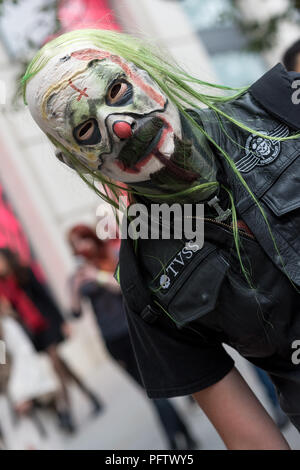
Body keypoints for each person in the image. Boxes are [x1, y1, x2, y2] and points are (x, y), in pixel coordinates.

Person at [22, 29, 300, 449]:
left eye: (116, 90)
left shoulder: (282, 108)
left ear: (143, 70)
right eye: (85, 132)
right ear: (74, 160)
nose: (120, 127)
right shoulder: (146, 281)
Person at [68, 224, 198, 450]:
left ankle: (175, 441)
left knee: (154, 388)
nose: (80, 247)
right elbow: (75, 312)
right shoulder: (77, 275)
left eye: (82, 240)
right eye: (74, 244)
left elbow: (124, 285)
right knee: (149, 390)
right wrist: (75, 288)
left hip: (133, 330)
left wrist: (97, 276)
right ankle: (184, 435)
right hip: (112, 340)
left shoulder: (113, 256)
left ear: (92, 238)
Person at [0, 248, 102, 432]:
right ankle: (92, 396)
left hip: (47, 322)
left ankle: (66, 412)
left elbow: (45, 296)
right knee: (62, 366)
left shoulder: (23, 273)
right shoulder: (3, 287)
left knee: (56, 364)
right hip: (33, 331)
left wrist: (63, 321)